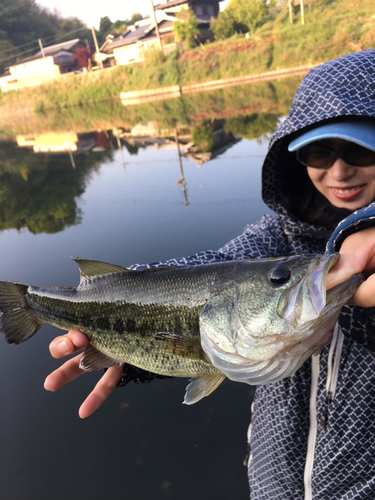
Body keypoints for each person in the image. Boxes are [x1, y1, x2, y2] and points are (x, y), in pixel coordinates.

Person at [45, 50, 375, 499]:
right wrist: (120, 317)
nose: (339, 170)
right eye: (318, 151)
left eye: (359, 148)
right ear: (295, 158)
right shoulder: (279, 239)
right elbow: (204, 276)